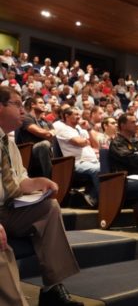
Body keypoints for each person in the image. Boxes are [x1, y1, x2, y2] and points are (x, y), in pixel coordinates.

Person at [0, 86, 83, 306]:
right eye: (17, 104)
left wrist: (41, 182)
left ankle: (52, 288)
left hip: (9, 208)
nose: (23, 111)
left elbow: (20, 180)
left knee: (50, 206)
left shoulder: (8, 143)